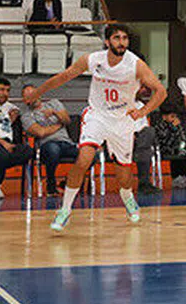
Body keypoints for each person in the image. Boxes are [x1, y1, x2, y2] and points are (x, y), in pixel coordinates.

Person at [27, 24, 167, 231]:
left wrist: (143, 112)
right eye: (117, 38)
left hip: (122, 121)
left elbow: (160, 92)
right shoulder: (93, 60)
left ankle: (127, 197)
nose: (122, 42)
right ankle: (64, 209)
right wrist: (38, 92)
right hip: (97, 116)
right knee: (83, 159)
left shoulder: (136, 64)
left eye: (125, 38)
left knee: (123, 175)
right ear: (107, 41)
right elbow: (64, 77)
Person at [20, 84, 78, 194]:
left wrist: (55, 112)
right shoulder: (26, 116)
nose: (33, 97)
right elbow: (41, 132)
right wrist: (59, 125)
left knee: (90, 155)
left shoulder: (54, 103)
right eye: (28, 96)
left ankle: (69, 181)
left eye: (34, 93)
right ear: (25, 100)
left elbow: (67, 120)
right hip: (46, 145)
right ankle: (51, 185)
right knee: (53, 150)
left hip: (66, 142)